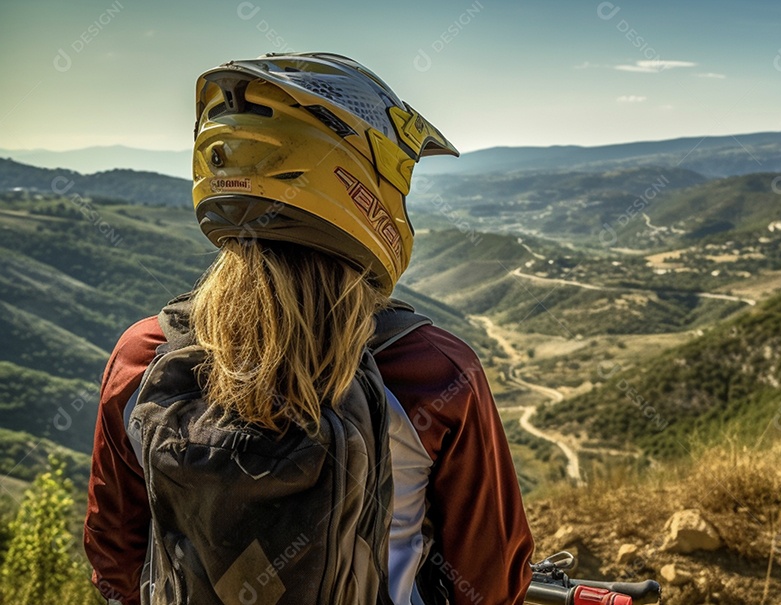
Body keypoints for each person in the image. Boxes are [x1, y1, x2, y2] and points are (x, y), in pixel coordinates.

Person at [84, 52, 534, 604]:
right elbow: (492, 582)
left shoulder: (142, 357)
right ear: (356, 186)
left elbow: (114, 563)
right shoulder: (433, 371)